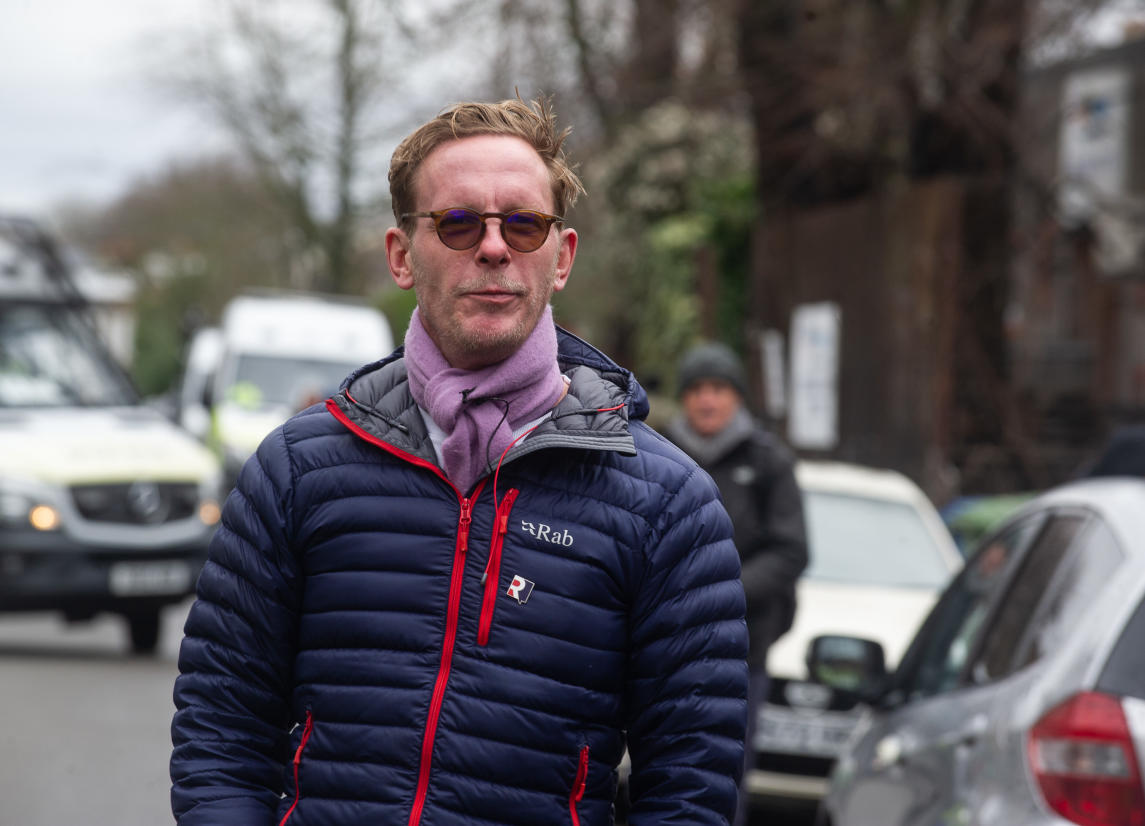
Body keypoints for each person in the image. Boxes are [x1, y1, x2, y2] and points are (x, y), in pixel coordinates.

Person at [170, 97, 748, 826]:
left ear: (561, 256)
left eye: (523, 223)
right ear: (401, 255)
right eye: (458, 222)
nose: (494, 247)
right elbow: (221, 725)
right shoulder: (298, 470)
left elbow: (691, 787)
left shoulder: (667, 505)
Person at [665, 342, 809, 826]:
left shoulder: (769, 462)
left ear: (739, 398)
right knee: (659, 774)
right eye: (698, 389)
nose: (707, 400)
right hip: (661, 647)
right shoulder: (656, 453)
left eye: (719, 389)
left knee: (723, 779)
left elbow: (791, 551)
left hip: (739, 653)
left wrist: (720, 593)